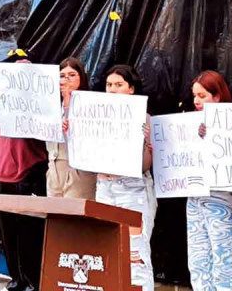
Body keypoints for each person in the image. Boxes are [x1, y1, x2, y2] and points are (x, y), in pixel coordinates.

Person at [92, 64, 157, 291]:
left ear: (131, 89)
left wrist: (146, 142)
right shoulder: (95, 118)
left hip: (133, 190)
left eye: (119, 85)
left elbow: (145, 165)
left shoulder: (143, 118)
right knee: (108, 249)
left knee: (136, 254)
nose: (112, 89)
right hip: (104, 187)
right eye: (109, 85)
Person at [0, 58, 49, 291]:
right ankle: (16, 278)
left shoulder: (37, 106)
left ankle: (33, 281)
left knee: (29, 235)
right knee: (8, 235)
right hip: (1, 176)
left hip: (26, 176)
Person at [188, 71, 232, 291]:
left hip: (221, 200)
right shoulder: (188, 123)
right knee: (198, 259)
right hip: (195, 198)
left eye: (202, 96)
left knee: (224, 259)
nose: (196, 101)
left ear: (217, 96)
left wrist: (215, 134)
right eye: (194, 96)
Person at [46, 57, 96, 199]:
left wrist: (68, 102)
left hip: (79, 171)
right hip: (54, 168)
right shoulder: (50, 105)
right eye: (62, 76)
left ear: (81, 77)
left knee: (75, 216)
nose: (66, 79)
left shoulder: (92, 104)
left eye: (72, 75)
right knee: (54, 215)